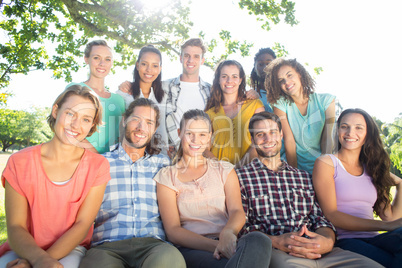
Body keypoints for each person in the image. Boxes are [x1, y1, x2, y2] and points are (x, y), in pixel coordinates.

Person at [236, 111, 383, 267]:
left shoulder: (303, 177)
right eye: (260, 134)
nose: (268, 139)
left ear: (281, 135)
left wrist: (326, 241)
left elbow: (321, 219)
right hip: (279, 252)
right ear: (252, 140)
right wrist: (277, 241)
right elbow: (240, 229)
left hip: (321, 251)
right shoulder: (240, 178)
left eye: (273, 132)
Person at [0, 85, 111, 267]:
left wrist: (41, 262)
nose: (76, 124)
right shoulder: (19, 162)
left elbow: (82, 225)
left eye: (85, 119)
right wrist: (37, 259)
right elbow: (15, 226)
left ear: (92, 125)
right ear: (56, 111)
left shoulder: (97, 166)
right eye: (70, 114)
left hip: (70, 249)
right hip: (23, 248)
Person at [154, 109, 271, 268]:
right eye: (190, 133)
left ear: (209, 137)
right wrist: (215, 246)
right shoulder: (167, 176)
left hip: (228, 240)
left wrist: (227, 234)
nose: (196, 140)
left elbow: (237, 211)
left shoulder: (224, 169)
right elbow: (173, 231)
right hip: (192, 248)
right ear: (180, 133)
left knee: (259, 240)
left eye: (202, 135)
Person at [79, 98, 185, 268]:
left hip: (154, 246)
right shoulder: (100, 163)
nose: (141, 127)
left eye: (149, 122)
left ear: (155, 128)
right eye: (136, 119)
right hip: (107, 246)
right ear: (124, 120)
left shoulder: (163, 164)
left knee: (170, 260)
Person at [313, 108, 402, 267]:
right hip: (345, 240)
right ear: (338, 130)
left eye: (358, 128)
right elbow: (332, 215)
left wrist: (401, 184)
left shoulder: (372, 168)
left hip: (375, 239)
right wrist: (386, 226)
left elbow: (390, 217)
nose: (350, 132)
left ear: (367, 134)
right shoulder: (327, 163)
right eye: (344, 126)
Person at [265, 58, 335, 174]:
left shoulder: (326, 101)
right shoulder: (280, 104)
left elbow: (328, 137)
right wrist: (295, 174)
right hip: (293, 164)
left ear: (300, 74)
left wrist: (324, 169)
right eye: (281, 80)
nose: (286, 82)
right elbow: (289, 140)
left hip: (323, 164)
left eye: (289, 75)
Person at [205, 60, 264, 166]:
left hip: (248, 170)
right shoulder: (209, 113)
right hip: (218, 173)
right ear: (218, 80)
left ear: (241, 80)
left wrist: (238, 168)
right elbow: (204, 148)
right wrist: (221, 170)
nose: (229, 80)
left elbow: (261, 141)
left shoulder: (255, 105)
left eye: (234, 76)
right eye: (224, 76)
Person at [70, 40, 125, 154]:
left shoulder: (118, 100)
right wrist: (97, 158)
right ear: (86, 59)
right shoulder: (75, 89)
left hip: (109, 163)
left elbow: (122, 135)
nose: (102, 64)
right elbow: (68, 128)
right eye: (96, 58)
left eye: (107, 59)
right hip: (77, 158)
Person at [164, 38, 211, 157]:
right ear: (181, 58)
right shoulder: (164, 87)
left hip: (200, 156)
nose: (191, 60)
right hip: (171, 154)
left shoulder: (211, 91)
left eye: (196, 56)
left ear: (202, 60)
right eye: (187, 55)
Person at [117, 45, 168, 153]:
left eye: (154, 66)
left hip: (159, 155)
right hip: (129, 154)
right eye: (144, 64)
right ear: (137, 65)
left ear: (160, 69)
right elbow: (116, 127)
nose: (149, 70)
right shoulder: (124, 94)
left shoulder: (165, 96)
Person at [249, 47, 276, 113]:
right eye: (260, 64)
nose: (265, 68)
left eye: (269, 63)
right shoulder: (250, 96)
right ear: (255, 68)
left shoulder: (286, 91)